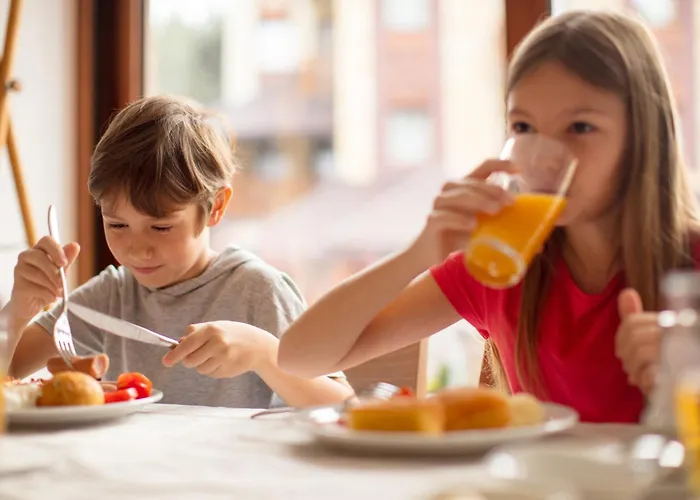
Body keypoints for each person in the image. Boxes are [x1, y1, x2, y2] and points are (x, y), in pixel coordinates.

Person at [277, 10, 700, 423]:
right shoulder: (503, 268)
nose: (543, 159)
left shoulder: (691, 266)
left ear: (642, 134)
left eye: (580, 127)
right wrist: (419, 253)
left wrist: (687, 378)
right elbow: (299, 357)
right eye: (524, 128)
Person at [5, 95, 352, 408]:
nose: (137, 250)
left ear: (216, 206)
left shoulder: (258, 291)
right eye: (117, 225)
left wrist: (264, 353)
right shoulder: (112, 296)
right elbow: (11, 369)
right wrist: (18, 311)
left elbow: (342, 407)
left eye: (161, 228)